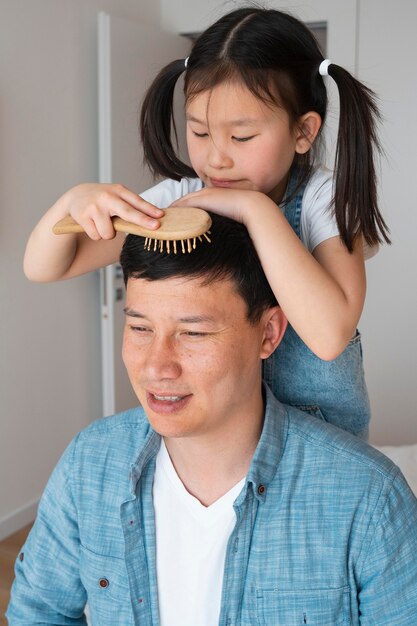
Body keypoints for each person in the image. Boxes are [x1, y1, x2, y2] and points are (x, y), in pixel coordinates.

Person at [8, 214, 417, 625]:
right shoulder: (90, 464)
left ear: (268, 334)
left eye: (194, 334)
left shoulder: (369, 499)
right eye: (139, 327)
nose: (157, 366)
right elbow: (38, 612)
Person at [23, 7, 391, 437]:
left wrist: (255, 210)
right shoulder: (180, 198)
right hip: (227, 439)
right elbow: (47, 266)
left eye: (241, 137)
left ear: (303, 132)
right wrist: (72, 200)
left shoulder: (321, 200)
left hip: (323, 441)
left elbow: (329, 336)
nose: (216, 157)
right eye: (199, 132)